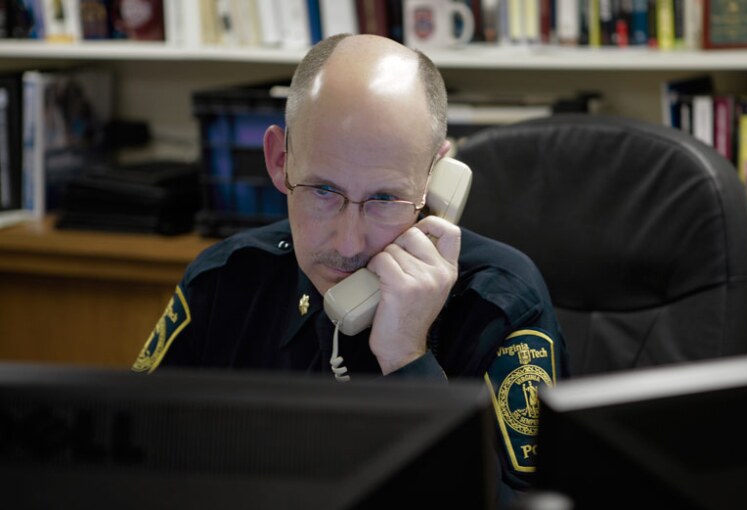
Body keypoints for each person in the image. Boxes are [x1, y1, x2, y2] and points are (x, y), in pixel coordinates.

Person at [132, 33, 569, 499]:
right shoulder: (225, 281)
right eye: (323, 191)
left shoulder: (500, 303)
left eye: (385, 199)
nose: (349, 242)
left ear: (435, 180)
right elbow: (124, 467)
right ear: (280, 161)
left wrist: (407, 360)